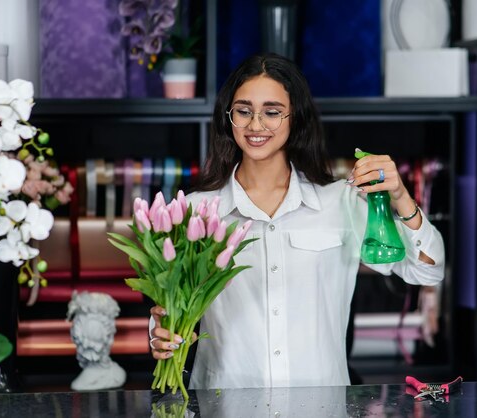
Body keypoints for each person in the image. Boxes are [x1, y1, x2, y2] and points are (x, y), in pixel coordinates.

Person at [148, 53, 445, 389]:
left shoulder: (341, 202)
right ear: (229, 119)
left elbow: (427, 270)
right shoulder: (196, 210)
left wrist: (401, 197)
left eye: (272, 112)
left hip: (322, 405)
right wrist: (159, 332)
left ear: (295, 119)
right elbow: (171, 310)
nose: (256, 125)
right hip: (226, 404)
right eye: (244, 111)